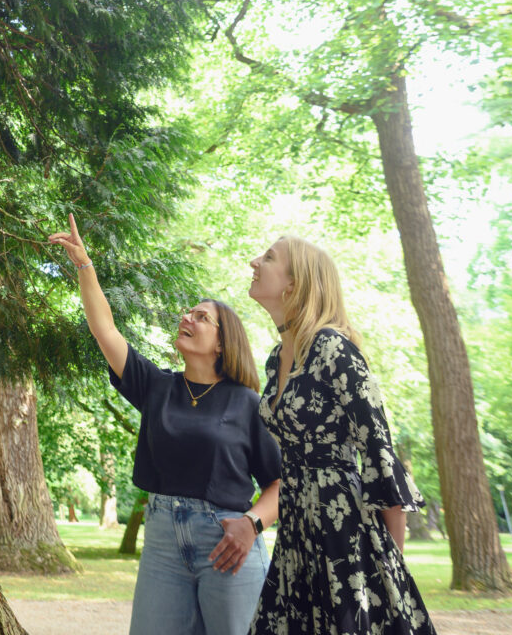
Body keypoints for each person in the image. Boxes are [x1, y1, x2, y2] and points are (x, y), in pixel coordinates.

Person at [49, 214, 282, 635]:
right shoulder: (157, 386)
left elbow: (281, 483)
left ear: (223, 342)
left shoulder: (249, 402)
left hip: (227, 544)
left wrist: (252, 524)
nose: (187, 318)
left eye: (201, 317)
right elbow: (105, 331)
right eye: (188, 313)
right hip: (161, 544)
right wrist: (84, 264)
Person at [245, 235, 436, 635]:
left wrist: (390, 572)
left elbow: (379, 454)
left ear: (294, 283)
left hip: (345, 536)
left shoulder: (334, 348)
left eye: (268, 257)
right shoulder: (277, 359)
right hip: (296, 537)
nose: (254, 262)